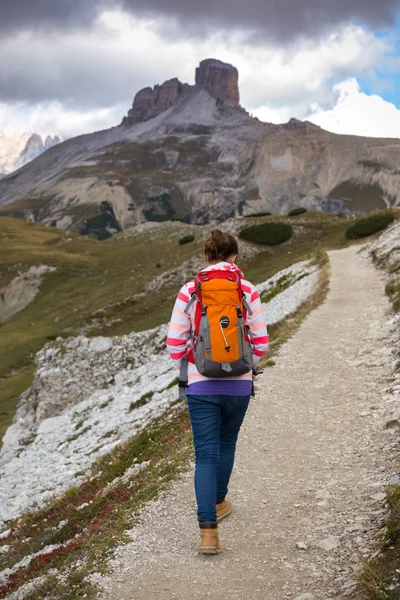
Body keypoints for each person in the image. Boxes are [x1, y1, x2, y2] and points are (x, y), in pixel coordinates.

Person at [166, 229, 269, 554]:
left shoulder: (190, 291)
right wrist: (241, 364)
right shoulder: (247, 290)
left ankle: (208, 533)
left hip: (201, 386)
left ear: (207, 257)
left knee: (205, 455)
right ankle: (220, 500)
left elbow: (174, 347)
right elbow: (261, 344)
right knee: (227, 444)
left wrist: (198, 361)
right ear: (234, 257)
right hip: (239, 384)